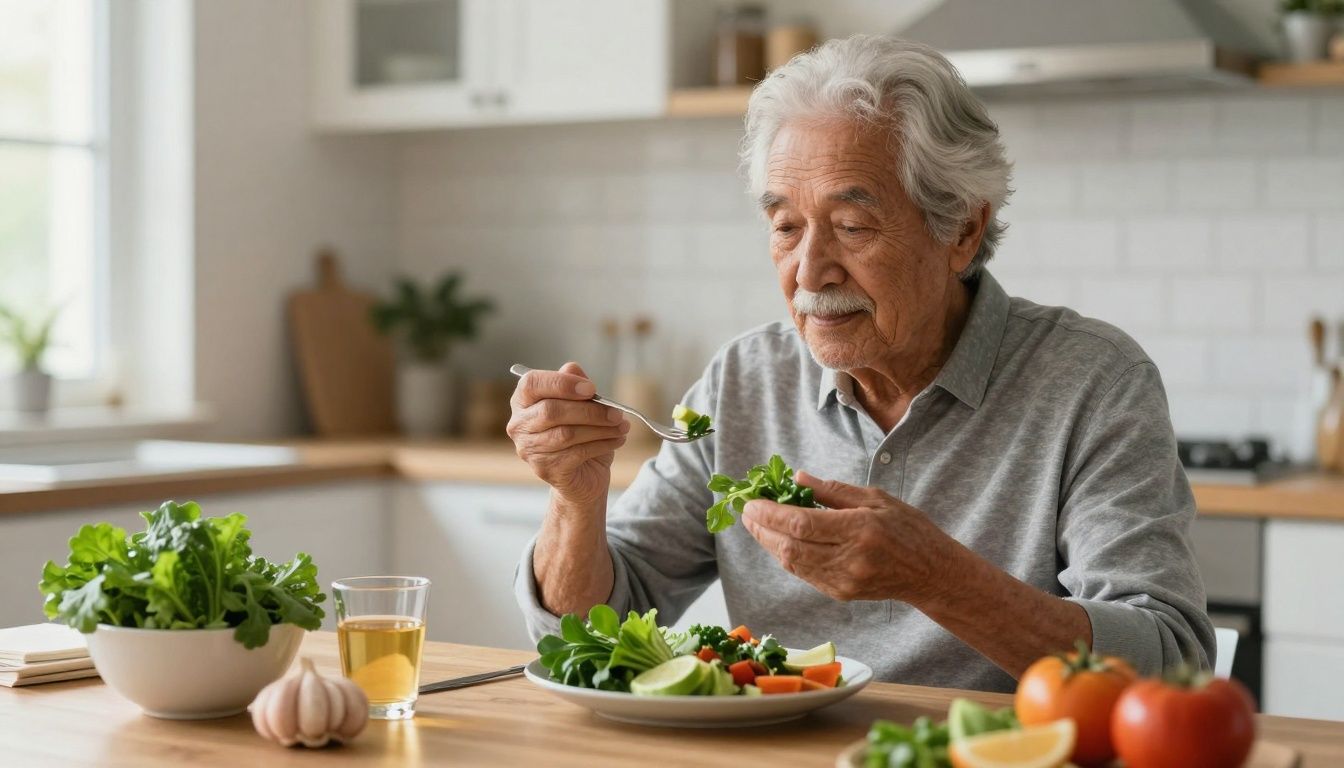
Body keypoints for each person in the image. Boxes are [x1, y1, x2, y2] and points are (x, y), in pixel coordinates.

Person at [507, 35, 1213, 692]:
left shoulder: (1093, 380)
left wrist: (937, 577)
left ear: (962, 230)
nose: (810, 270)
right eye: (785, 227)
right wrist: (576, 497)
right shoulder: (746, 381)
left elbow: (1171, 660)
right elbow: (584, 632)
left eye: (852, 226)